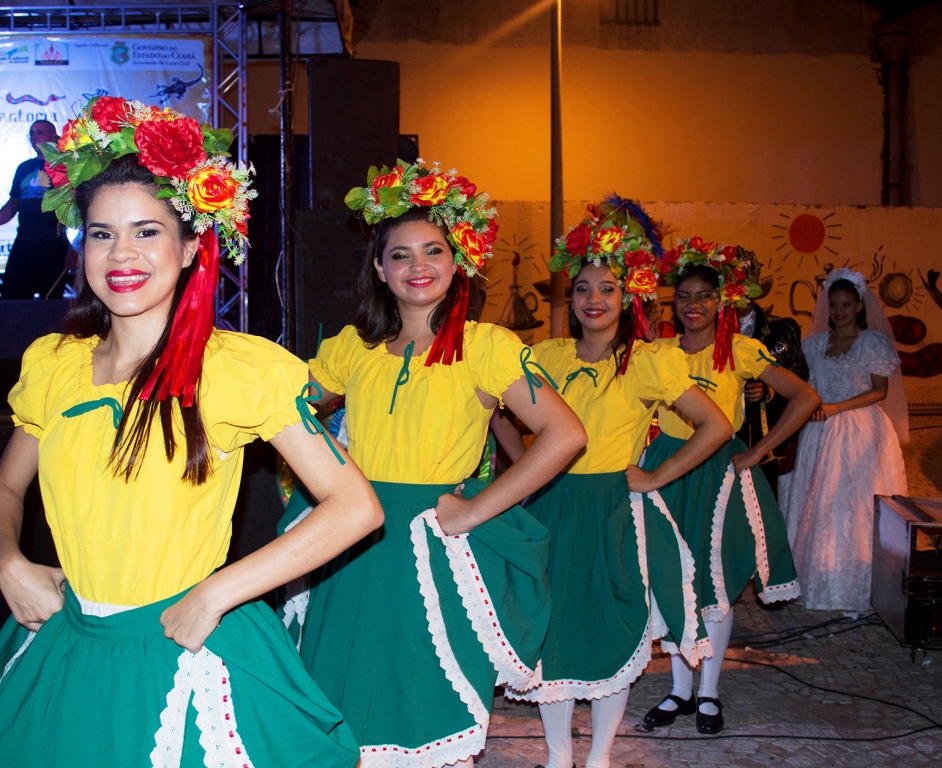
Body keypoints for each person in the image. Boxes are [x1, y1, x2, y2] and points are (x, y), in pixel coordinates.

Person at [0, 97, 384, 767]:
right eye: (101, 233)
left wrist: (218, 592)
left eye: (147, 231)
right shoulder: (53, 365)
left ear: (188, 248)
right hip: (68, 645)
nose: (122, 253)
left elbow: (356, 506)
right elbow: (8, 485)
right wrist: (8, 561)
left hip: (187, 650)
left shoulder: (235, 369)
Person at [279, 160, 587, 767]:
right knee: (344, 686)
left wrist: (475, 509)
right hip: (354, 539)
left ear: (457, 260)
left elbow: (566, 434)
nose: (417, 266)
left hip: (432, 544)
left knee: (432, 693)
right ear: (379, 268)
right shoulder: (355, 347)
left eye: (433, 251)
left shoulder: (486, 346)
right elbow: (285, 411)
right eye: (400, 255)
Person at [491, 201, 733, 768]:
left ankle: (599, 757)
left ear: (629, 297)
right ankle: (558, 756)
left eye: (607, 288)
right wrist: (526, 467)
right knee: (551, 628)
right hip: (550, 508)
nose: (593, 299)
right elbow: (496, 412)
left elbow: (717, 426)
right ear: (570, 298)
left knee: (614, 626)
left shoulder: (648, 360)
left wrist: (656, 476)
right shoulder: (545, 356)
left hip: (612, 511)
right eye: (582, 288)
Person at [641, 238, 820, 734]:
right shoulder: (658, 353)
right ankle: (679, 690)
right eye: (683, 296)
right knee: (672, 576)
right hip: (668, 471)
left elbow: (805, 397)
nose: (693, 305)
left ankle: (709, 692)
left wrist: (758, 452)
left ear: (722, 301)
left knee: (715, 579)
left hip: (719, 475)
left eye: (704, 296)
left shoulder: (740, 350)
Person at [779, 268, 908, 612]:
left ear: (859, 306)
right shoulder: (814, 344)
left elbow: (879, 391)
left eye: (846, 305)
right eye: (834, 305)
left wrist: (837, 407)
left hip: (858, 431)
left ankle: (852, 578)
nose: (839, 311)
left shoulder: (871, 342)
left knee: (849, 505)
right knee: (813, 501)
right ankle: (810, 573)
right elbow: (803, 385)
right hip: (818, 429)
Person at [733, 248, 810, 495]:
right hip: (720, 435)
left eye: (745, 285)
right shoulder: (708, 329)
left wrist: (769, 391)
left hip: (760, 440)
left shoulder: (780, 330)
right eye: (733, 285)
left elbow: (800, 379)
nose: (739, 292)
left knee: (760, 503)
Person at [0, 120, 71, 299]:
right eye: (32, 133)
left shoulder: (64, 167)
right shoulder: (24, 168)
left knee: (51, 303)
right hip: (24, 244)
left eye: (40, 132)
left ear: (53, 136)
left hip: (53, 246)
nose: (34, 137)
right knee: (12, 299)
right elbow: (12, 205)